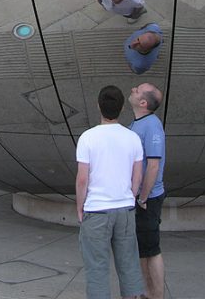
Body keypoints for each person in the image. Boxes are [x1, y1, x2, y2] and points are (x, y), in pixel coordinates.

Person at [76, 85, 145, 299]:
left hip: (96, 210)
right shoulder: (132, 138)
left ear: (98, 106)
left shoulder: (87, 137)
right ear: (122, 107)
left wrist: (80, 206)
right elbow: (137, 176)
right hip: (124, 210)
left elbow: (82, 178)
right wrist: (130, 197)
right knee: (129, 265)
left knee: (97, 268)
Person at [128, 83, 166, 299]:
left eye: (138, 89)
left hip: (148, 199)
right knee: (143, 250)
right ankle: (148, 294)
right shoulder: (138, 123)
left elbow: (153, 165)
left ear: (143, 102)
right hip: (140, 198)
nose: (133, 89)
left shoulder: (151, 125)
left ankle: (156, 296)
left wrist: (142, 197)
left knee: (151, 250)